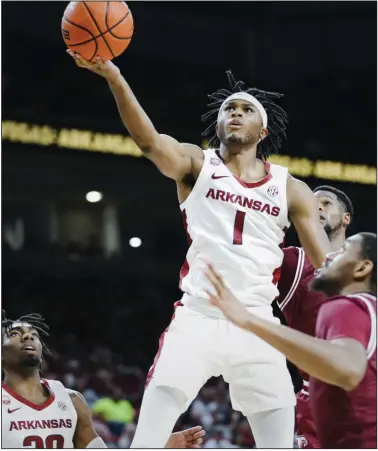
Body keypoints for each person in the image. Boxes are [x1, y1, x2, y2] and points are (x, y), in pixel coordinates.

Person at [68, 51, 331, 448]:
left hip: (257, 321)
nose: (236, 113)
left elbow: (325, 266)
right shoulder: (197, 163)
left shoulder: (292, 189)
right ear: (219, 123)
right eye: (229, 109)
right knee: (147, 442)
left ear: (263, 131)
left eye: (246, 109)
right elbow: (148, 141)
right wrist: (114, 76)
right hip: (198, 316)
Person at [206, 231, 377, 449]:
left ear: (362, 268)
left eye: (342, 252)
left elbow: (349, 369)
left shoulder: (347, 306)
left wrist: (249, 320)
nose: (328, 256)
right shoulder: (369, 310)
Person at [1, 313, 205, 449]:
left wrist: (158, 445)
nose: (27, 337)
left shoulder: (71, 400)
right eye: (15, 334)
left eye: (33, 335)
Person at [276, 185, 354, 448]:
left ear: (346, 218)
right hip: (322, 398)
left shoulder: (368, 265)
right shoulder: (294, 262)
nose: (317, 206)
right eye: (312, 202)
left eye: (326, 203)